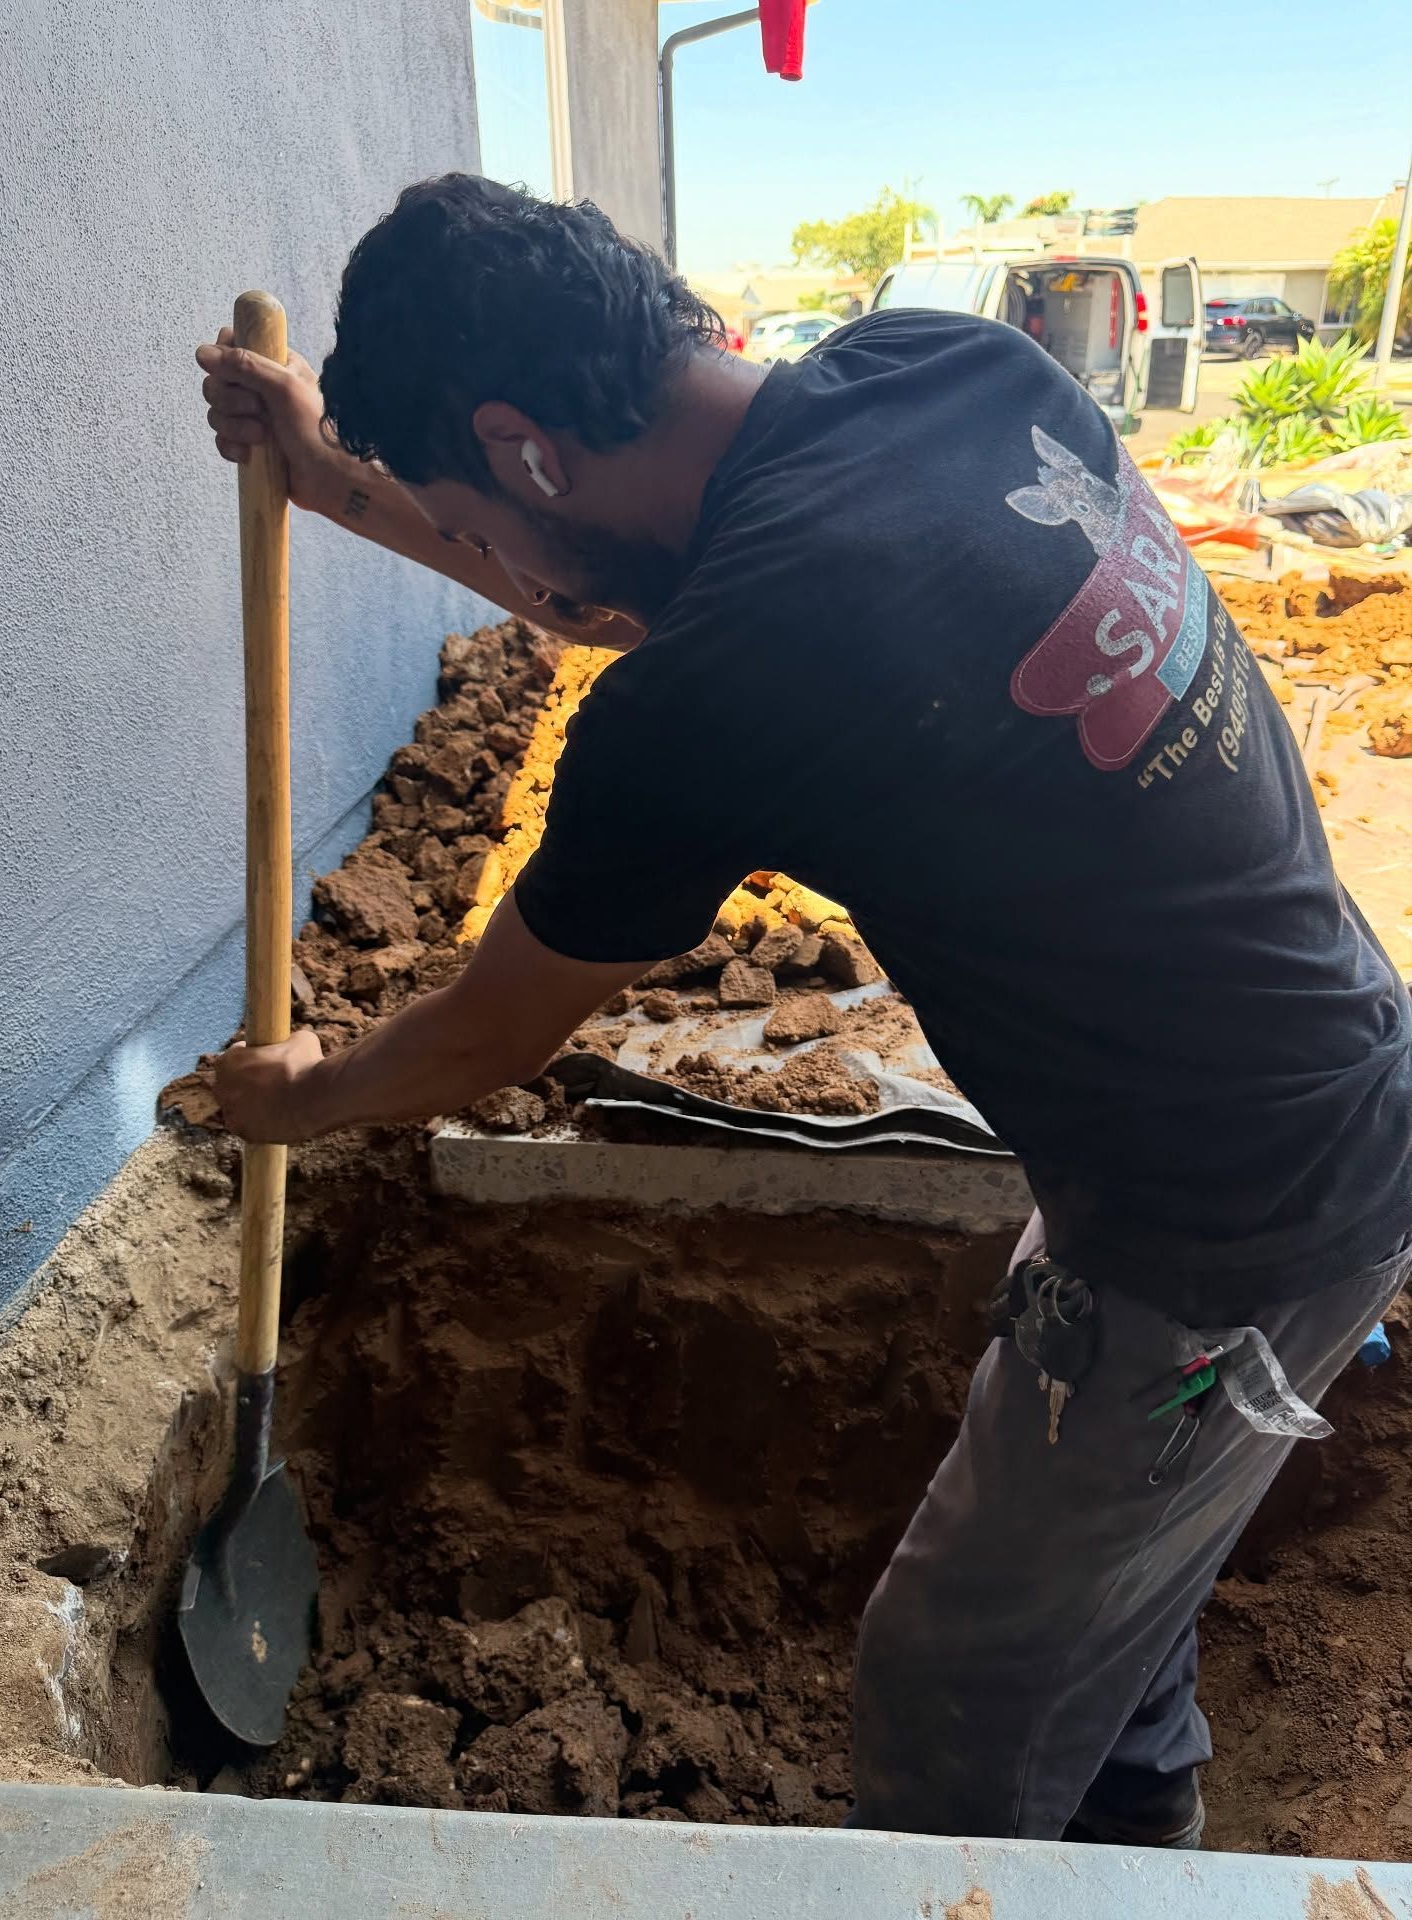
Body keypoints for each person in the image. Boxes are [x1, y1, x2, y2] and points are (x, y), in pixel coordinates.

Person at [197, 174, 1412, 1846]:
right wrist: (341, 482)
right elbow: (618, 596)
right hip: (1319, 1085)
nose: (494, 555)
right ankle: (1146, 1835)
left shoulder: (721, 690)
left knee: (956, 1692)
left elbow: (489, 1038)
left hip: (1223, 1234)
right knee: (1107, 1580)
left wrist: (304, 1091)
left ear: (530, 447)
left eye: (483, 513)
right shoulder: (949, 373)